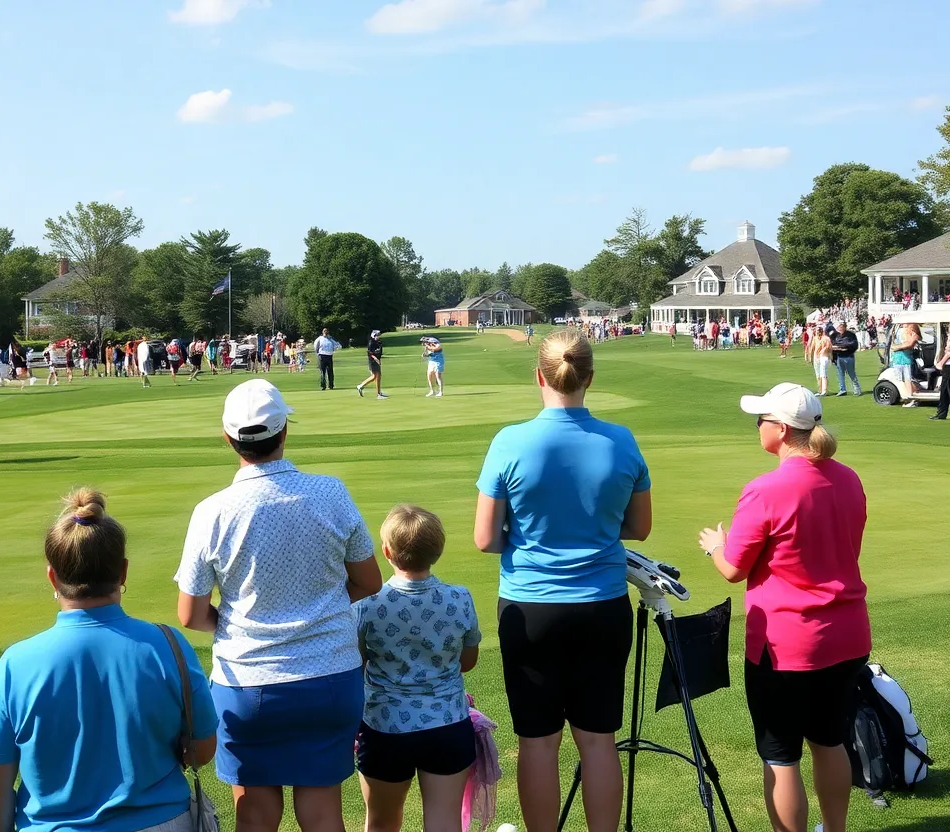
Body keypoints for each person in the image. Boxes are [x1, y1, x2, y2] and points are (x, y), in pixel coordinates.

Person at [174, 379, 383, 832]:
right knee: (323, 812)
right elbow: (368, 581)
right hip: (330, 678)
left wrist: (237, 623)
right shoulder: (331, 492)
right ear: (284, 430)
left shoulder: (212, 510)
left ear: (229, 439)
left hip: (247, 684)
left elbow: (190, 613)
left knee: (255, 813)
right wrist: (319, 609)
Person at [473, 329, 652, 832]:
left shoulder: (510, 441)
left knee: (537, 741)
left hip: (530, 609)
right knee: (597, 740)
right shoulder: (621, 439)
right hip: (602, 605)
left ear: (539, 376)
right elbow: (638, 527)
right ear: (589, 377)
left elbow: (485, 538)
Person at [0, 490, 216, 832]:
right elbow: (202, 749)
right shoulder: (167, 645)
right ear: (123, 572)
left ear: (53, 577)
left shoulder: (15, 663)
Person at [699, 383, 870, 832]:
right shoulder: (848, 477)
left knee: (781, 757)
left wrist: (715, 546)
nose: (757, 428)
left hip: (788, 644)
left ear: (779, 429)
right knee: (830, 741)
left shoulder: (766, 489)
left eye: (761, 421)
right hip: (847, 635)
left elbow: (734, 568)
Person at [355, 505, 481, 832]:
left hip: (384, 728)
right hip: (448, 725)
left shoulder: (368, 604)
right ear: (438, 551)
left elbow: (356, 664)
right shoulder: (460, 598)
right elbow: (468, 661)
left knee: (381, 823)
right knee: (443, 822)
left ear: (386, 552)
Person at [890, 323, 922, 407]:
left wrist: (897, 347)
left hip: (906, 358)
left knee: (907, 379)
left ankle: (911, 398)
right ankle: (913, 394)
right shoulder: (903, 333)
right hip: (900, 358)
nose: (905, 327)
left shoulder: (914, 335)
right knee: (903, 379)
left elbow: (909, 344)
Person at [830, 321, 862, 397]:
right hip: (839, 356)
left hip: (849, 356)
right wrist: (836, 349)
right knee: (840, 374)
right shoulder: (835, 335)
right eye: (839, 327)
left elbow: (854, 344)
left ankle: (857, 389)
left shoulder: (851, 334)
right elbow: (832, 344)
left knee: (851, 373)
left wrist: (842, 346)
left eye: (842, 326)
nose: (840, 328)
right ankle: (842, 389)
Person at [358, 330, 389, 399]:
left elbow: (379, 352)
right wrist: (376, 359)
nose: (378, 337)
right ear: (374, 335)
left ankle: (379, 393)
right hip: (372, 361)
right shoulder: (371, 342)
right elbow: (370, 353)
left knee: (378, 376)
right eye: (377, 335)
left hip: (377, 361)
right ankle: (361, 386)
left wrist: (379, 359)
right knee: (375, 376)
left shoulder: (378, 342)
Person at [810, 328, 832, 397]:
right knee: (819, 375)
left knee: (823, 374)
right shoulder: (815, 338)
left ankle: (824, 390)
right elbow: (812, 348)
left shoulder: (825, 338)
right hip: (817, 357)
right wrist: (810, 357)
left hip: (823, 357)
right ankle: (821, 390)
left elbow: (829, 348)